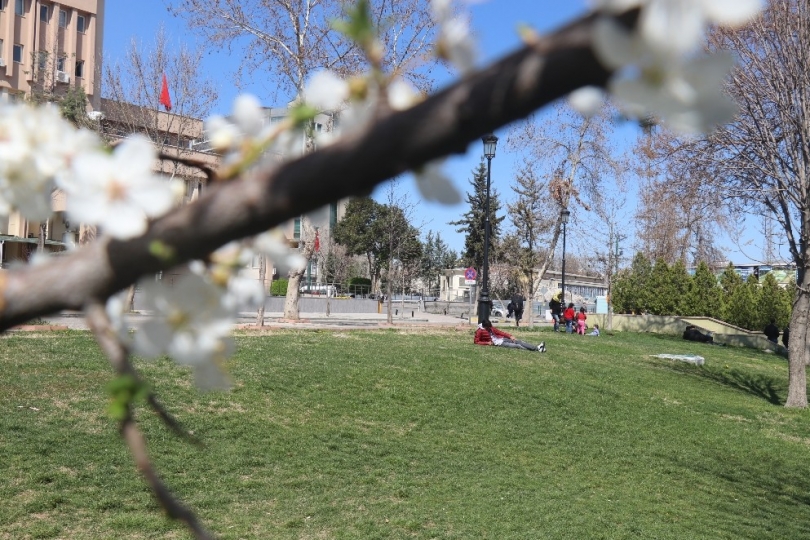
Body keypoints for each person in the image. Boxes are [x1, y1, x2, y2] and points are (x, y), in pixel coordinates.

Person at [474, 320, 546, 352]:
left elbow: (499, 332)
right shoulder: (479, 331)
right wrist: (487, 343)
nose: (490, 328)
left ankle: (537, 348)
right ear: (485, 326)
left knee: (518, 341)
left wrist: (510, 336)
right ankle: (537, 349)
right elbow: (476, 342)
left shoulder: (490, 327)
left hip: (502, 339)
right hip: (499, 343)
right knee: (517, 346)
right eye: (488, 327)